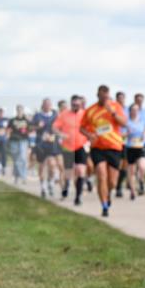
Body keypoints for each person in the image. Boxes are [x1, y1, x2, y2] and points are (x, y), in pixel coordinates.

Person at [80, 85, 127, 217]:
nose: (104, 99)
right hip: (98, 147)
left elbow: (124, 123)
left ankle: (108, 194)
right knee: (101, 175)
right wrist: (89, 135)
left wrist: (112, 112)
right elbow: (82, 127)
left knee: (112, 181)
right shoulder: (90, 110)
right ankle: (104, 205)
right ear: (98, 95)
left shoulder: (116, 106)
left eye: (106, 96)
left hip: (114, 147)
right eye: (102, 96)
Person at [54, 95, 88, 205]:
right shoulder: (64, 114)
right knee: (68, 172)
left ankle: (78, 197)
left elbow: (91, 127)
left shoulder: (85, 114)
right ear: (71, 104)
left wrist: (89, 139)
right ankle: (66, 186)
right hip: (67, 147)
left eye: (78, 105)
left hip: (81, 146)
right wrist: (60, 134)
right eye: (74, 105)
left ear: (81, 104)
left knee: (81, 170)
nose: (76, 107)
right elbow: (54, 127)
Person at [32, 98, 62, 198]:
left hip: (52, 144)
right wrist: (38, 127)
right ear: (42, 105)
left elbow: (59, 128)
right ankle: (43, 187)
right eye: (45, 104)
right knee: (41, 166)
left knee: (53, 165)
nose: (47, 106)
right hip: (41, 144)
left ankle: (50, 182)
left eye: (49, 104)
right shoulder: (37, 116)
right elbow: (31, 128)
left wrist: (56, 135)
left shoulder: (55, 115)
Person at [125, 104, 145, 202]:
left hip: (140, 147)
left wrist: (144, 135)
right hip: (130, 148)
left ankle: (141, 181)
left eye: (137, 110)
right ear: (130, 111)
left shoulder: (142, 121)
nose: (135, 111)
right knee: (131, 171)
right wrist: (127, 134)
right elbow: (122, 135)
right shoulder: (126, 122)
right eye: (133, 110)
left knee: (142, 167)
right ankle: (133, 192)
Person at [133, 92, 145, 194]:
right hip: (130, 143)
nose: (139, 102)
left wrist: (144, 133)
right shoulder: (130, 111)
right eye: (137, 100)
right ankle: (131, 182)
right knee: (132, 166)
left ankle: (141, 182)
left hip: (142, 142)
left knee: (142, 166)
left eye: (141, 100)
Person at [7, 105, 30, 184]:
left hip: (23, 140)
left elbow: (30, 130)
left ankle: (23, 177)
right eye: (18, 110)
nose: (20, 111)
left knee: (23, 159)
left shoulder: (26, 120)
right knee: (16, 160)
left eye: (21, 110)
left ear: (23, 111)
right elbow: (8, 130)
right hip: (14, 141)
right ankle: (17, 176)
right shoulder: (12, 120)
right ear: (16, 111)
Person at [114, 91, 130, 198]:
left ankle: (119, 185)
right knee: (117, 165)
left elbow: (131, 123)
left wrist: (127, 133)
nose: (121, 100)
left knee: (125, 165)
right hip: (115, 140)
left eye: (122, 98)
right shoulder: (113, 110)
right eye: (119, 98)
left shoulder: (128, 110)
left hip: (126, 141)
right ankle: (115, 185)